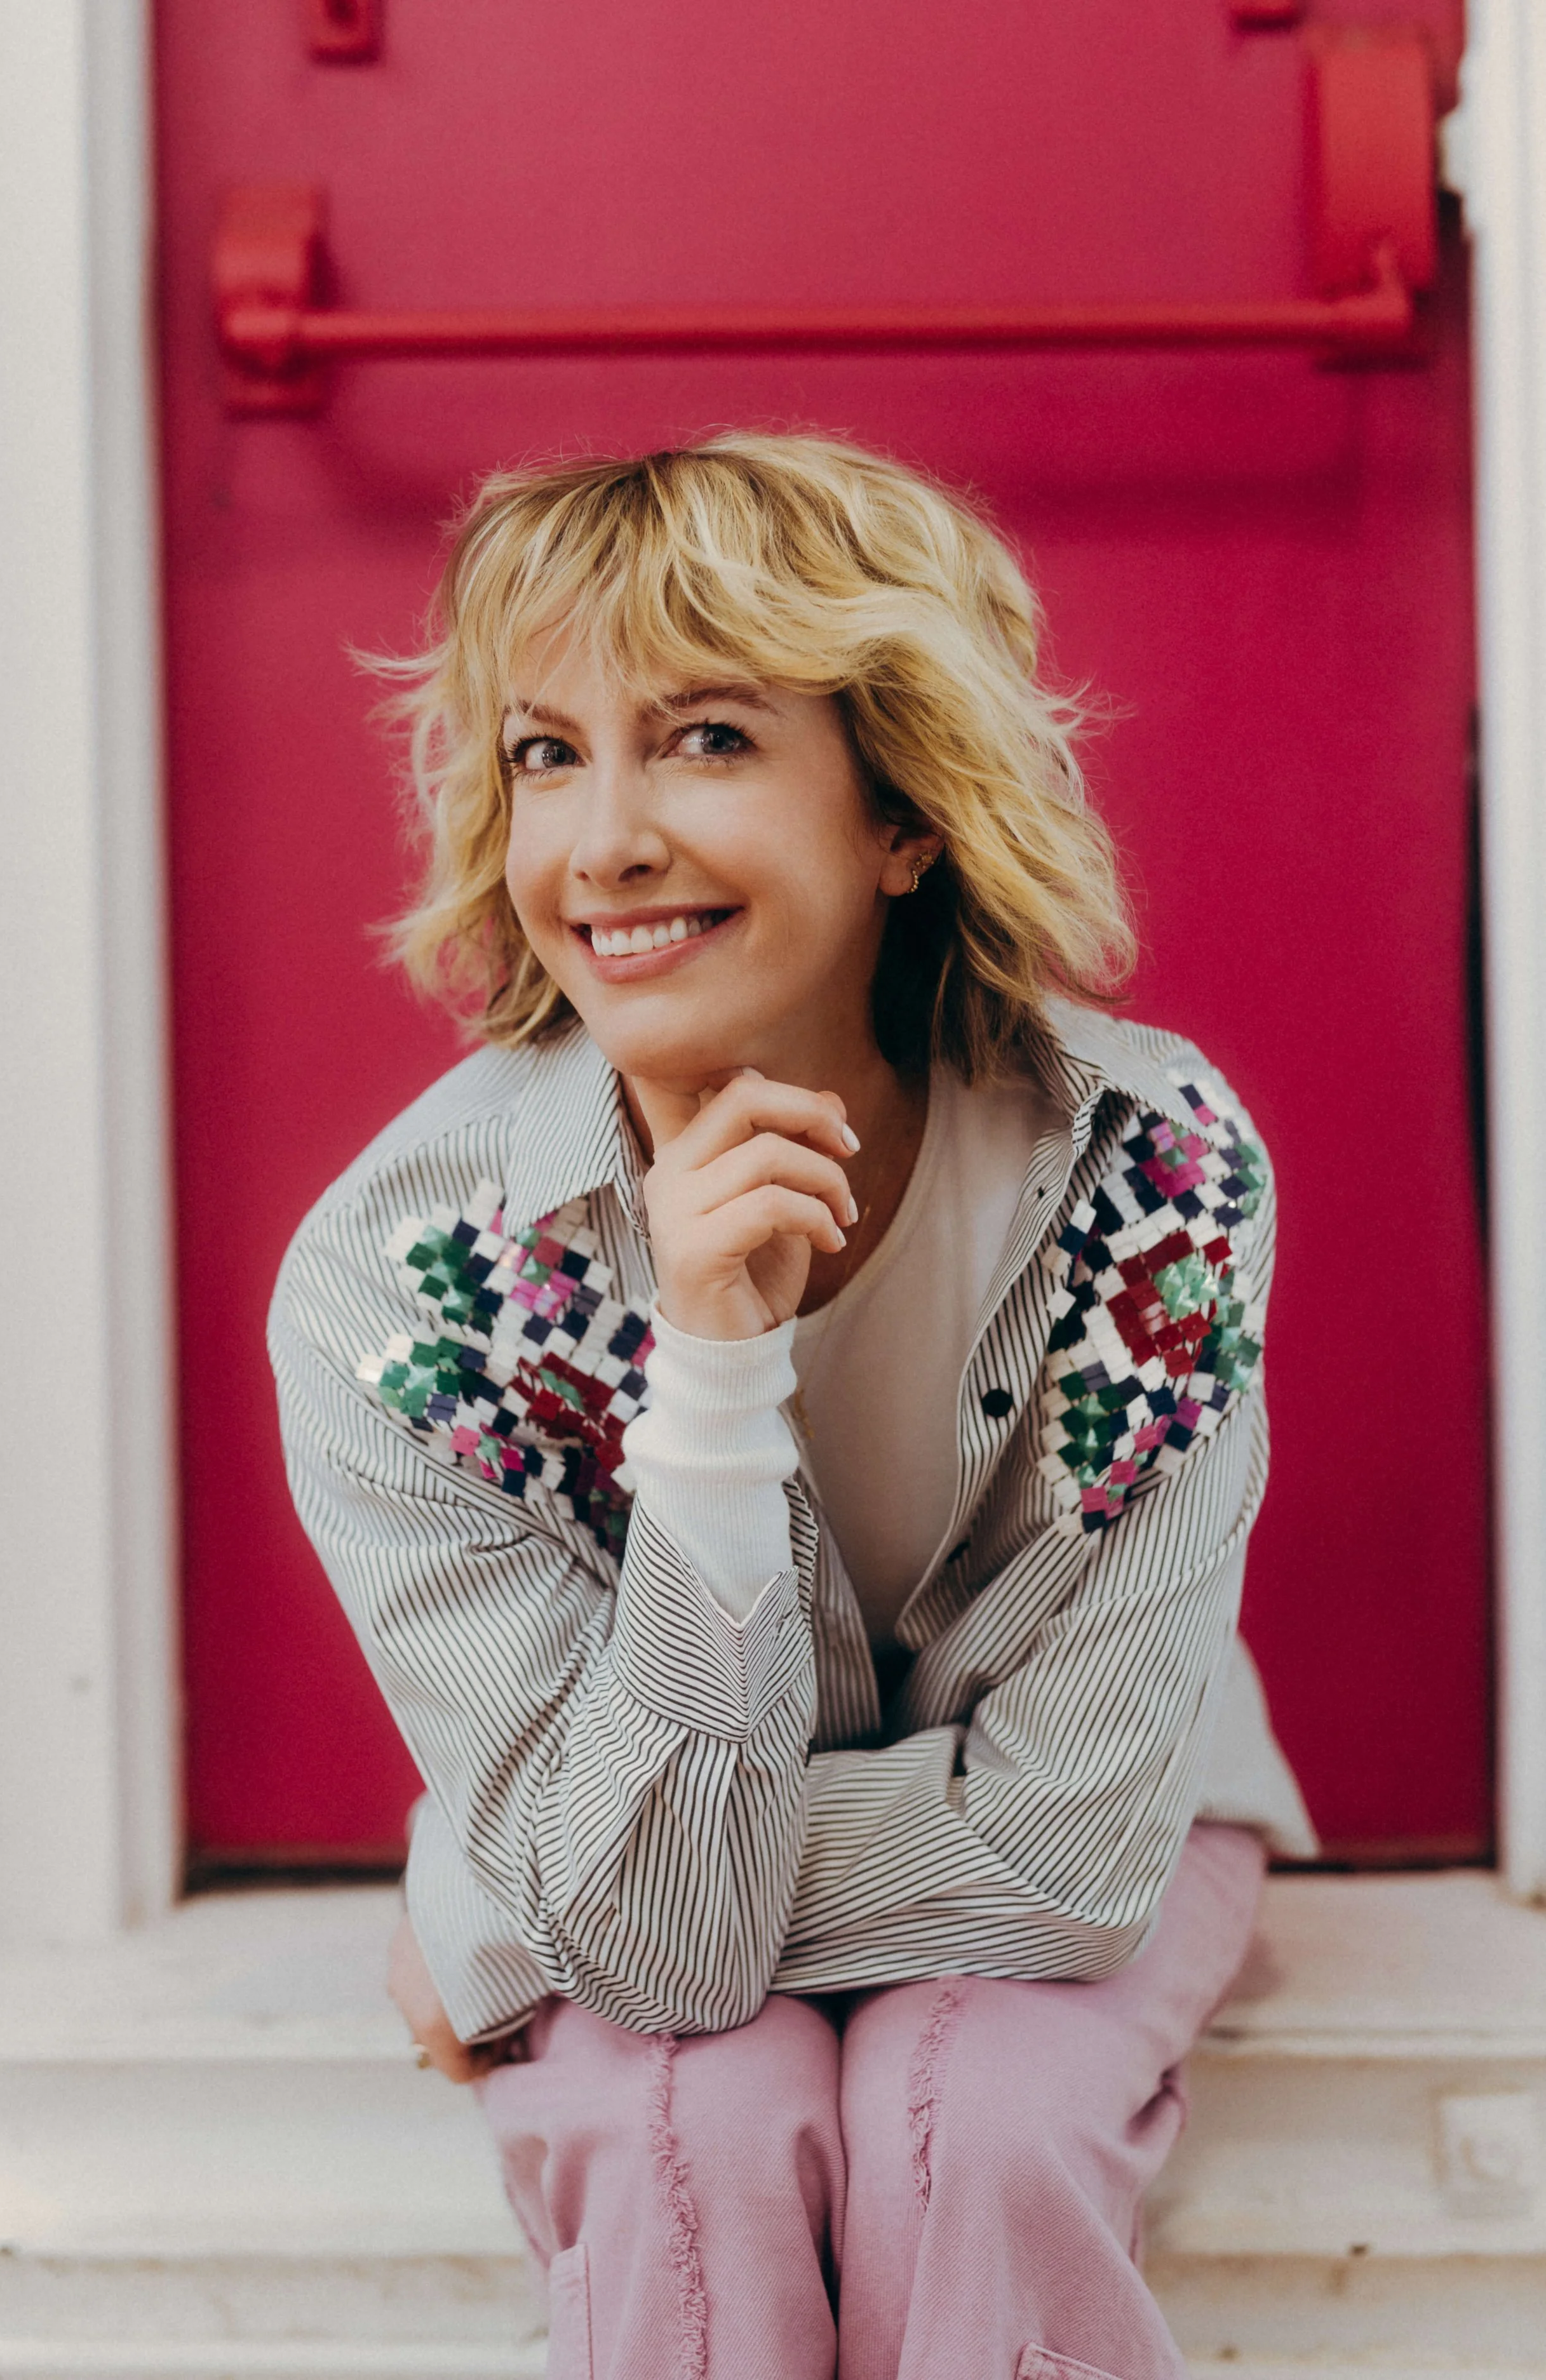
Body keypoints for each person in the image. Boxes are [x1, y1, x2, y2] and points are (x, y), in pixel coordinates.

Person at [269, 431, 1315, 2380]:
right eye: (546, 751)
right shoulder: (402, 1288)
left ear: (901, 811)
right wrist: (715, 1376)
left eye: (709, 740)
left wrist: (503, 1906)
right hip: (652, 1847)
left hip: (1110, 1810)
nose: (603, 845)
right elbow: (669, 1968)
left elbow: (1066, 1852)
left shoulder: (1147, 1177)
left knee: (980, 2124)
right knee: (695, 2126)